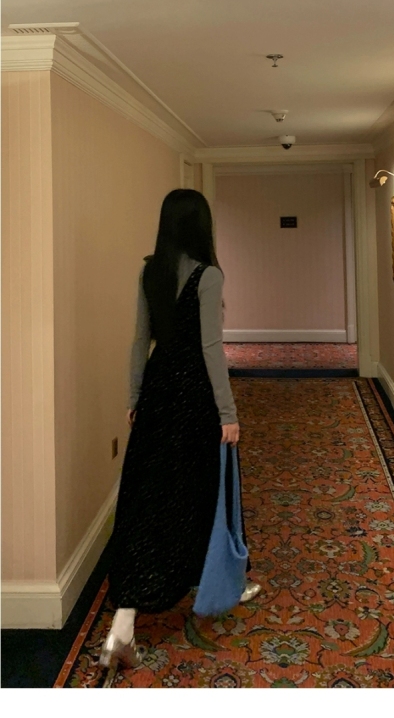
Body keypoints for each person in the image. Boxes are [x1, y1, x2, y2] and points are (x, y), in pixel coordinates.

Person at [100, 189, 261, 671]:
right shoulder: (208, 276)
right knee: (200, 490)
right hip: (193, 397)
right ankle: (222, 579)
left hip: (157, 391)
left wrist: (134, 397)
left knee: (150, 493)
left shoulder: (149, 271)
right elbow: (211, 349)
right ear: (200, 225)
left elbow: (139, 340)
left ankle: (124, 623)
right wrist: (228, 413)